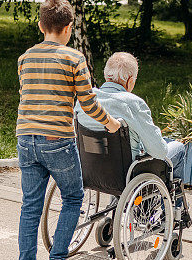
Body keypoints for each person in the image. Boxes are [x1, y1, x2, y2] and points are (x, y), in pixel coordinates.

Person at [14, 0, 121, 260]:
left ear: (40, 25)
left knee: (30, 206)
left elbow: (28, 95)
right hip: (57, 140)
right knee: (74, 197)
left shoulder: (25, 58)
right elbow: (88, 104)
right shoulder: (74, 58)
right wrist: (111, 124)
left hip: (25, 137)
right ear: (69, 27)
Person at [75, 52, 186, 181]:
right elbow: (159, 152)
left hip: (89, 171)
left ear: (106, 75)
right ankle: (172, 201)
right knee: (178, 148)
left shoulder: (86, 100)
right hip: (127, 174)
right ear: (130, 80)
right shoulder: (132, 103)